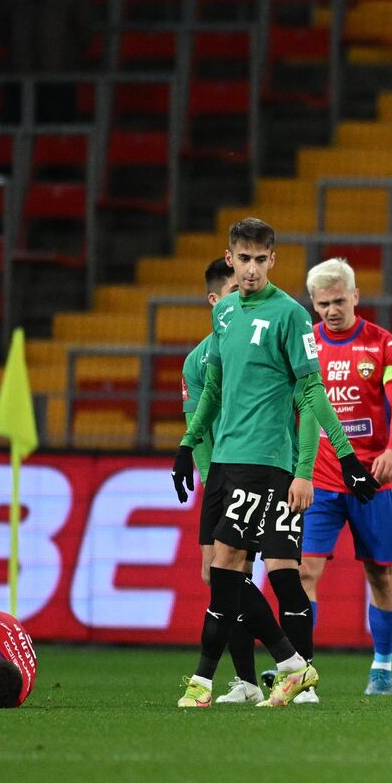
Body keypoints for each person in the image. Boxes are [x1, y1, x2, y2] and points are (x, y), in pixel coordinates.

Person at [171, 219, 380, 708]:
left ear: (272, 261)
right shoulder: (224, 315)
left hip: (266, 459)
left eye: (259, 260)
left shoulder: (288, 314)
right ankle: (287, 669)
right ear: (230, 258)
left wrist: (338, 458)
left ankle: (216, 679)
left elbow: (311, 391)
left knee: (236, 568)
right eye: (242, 259)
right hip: (226, 456)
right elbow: (216, 388)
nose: (250, 269)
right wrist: (188, 443)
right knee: (237, 570)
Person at [295, 258, 392, 697]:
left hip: (372, 482)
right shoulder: (304, 346)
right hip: (321, 481)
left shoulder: (385, 346)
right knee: (303, 571)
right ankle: (301, 669)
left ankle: (382, 667)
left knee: (380, 575)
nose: (331, 310)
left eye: (339, 301)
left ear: (356, 296)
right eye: (322, 303)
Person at [181, 257, 263, 705]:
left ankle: (288, 663)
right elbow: (196, 430)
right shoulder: (196, 361)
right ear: (216, 301)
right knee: (223, 576)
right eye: (236, 289)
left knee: (235, 574)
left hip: (261, 469)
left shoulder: (262, 344)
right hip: (222, 477)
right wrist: (217, 484)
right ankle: (254, 679)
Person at [0, 0, 93, 121]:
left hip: (58, 80)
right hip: (19, 78)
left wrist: (67, 59)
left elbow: (84, 33)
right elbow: (2, 30)